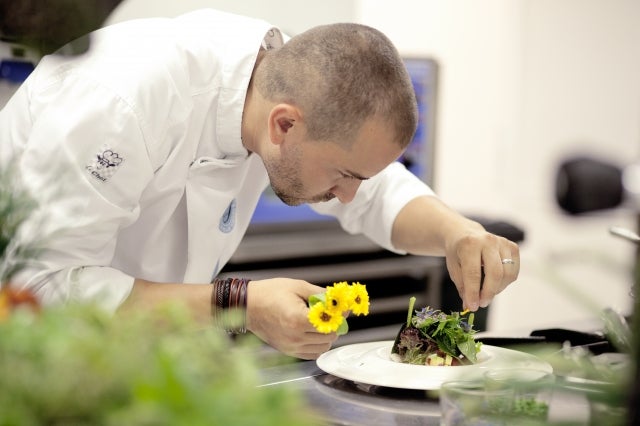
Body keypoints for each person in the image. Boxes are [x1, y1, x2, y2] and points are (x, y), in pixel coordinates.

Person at [0, 8, 519, 359]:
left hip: (139, 351)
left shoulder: (288, 83)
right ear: (285, 125)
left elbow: (380, 192)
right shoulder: (119, 101)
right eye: (343, 176)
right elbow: (38, 291)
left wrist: (457, 233)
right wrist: (238, 302)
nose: (350, 195)